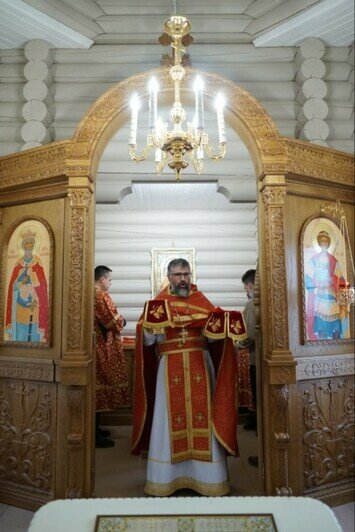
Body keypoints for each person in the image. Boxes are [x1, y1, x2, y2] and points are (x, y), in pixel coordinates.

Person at [131, 258, 247, 496]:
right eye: (177, 274)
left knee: (202, 415)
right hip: (168, 367)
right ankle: (166, 480)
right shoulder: (157, 304)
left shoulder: (201, 302)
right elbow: (147, 341)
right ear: (169, 276)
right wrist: (151, 330)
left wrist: (221, 330)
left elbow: (214, 338)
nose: (182, 278)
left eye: (186, 273)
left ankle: (208, 479)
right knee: (167, 420)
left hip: (199, 365)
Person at [94, 265, 129, 448]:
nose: (110, 282)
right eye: (109, 279)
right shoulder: (100, 295)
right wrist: (122, 320)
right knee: (98, 389)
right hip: (100, 348)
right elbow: (111, 321)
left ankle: (96, 429)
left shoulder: (94, 294)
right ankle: (94, 434)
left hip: (99, 345)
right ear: (102, 279)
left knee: (99, 389)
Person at [5, 228, 48, 343]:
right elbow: (12, 287)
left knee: (33, 328)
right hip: (19, 305)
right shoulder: (18, 264)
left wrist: (32, 276)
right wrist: (20, 282)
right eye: (27, 243)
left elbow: (43, 286)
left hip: (34, 304)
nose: (29, 246)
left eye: (31, 243)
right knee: (21, 330)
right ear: (23, 246)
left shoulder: (38, 262)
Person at [306, 231, 349, 340]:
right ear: (319, 243)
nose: (324, 243)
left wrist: (344, 303)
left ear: (329, 243)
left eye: (326, 241)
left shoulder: (334, 261)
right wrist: (316, 289)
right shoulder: (314, 260)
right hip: (320, 297)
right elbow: (307, 279)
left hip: (332, 297)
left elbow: (342, 281)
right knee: (321, 328)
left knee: (335, 328)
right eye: (322, 241)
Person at [239, 269, 258, 468]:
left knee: (259, 398)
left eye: (246, 287)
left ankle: (263, 445)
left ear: (250, 285)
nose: (246, 290)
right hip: (259, 357)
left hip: (256, 358)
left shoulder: (252, 303)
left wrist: (237, 344)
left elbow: (250, 335)